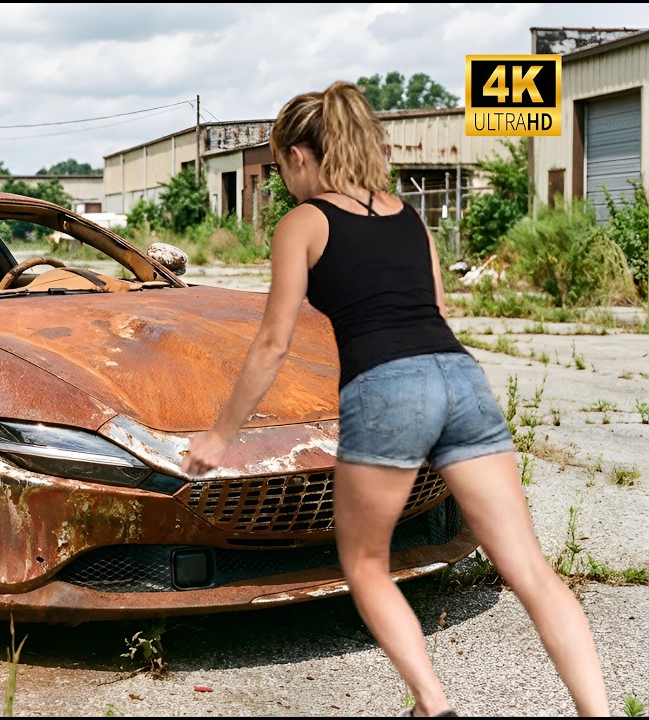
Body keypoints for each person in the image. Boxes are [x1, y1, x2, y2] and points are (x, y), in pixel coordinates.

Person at [180, 81, 609, 717]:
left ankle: (433, 706)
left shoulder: (304, 221)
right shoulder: (409, 215)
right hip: (459, 378)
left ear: (301, 155)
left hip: (387, 387)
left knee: (366, 564)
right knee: (531, 571)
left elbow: (272, 344)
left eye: (280, 167)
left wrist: (219, 437)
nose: (282, 183)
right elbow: (435, 311)